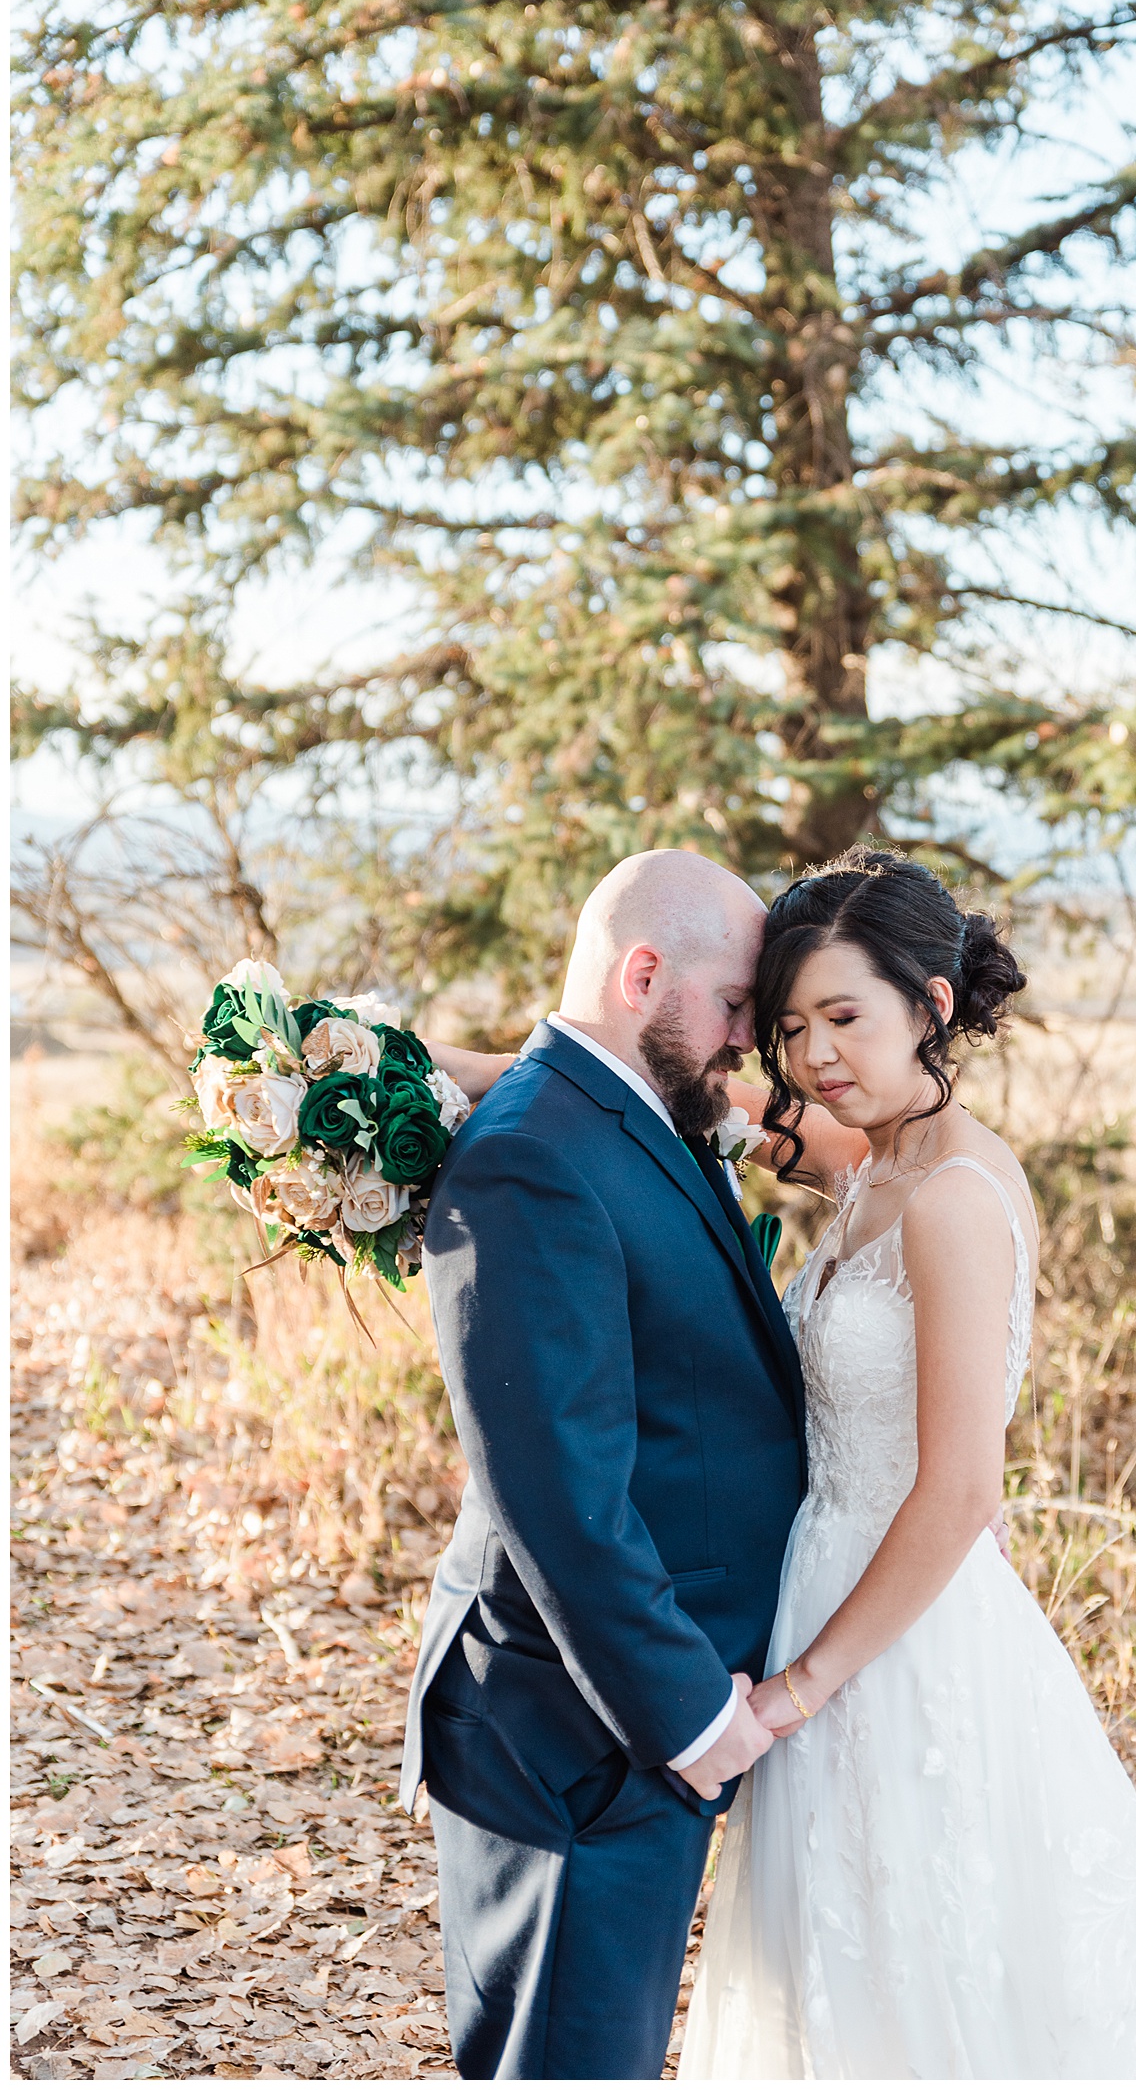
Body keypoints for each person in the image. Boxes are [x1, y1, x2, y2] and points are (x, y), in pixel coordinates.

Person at [672, 847, 1136, 2079]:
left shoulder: (953, 1197)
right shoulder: (875, 1163)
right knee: (835, 1972)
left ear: (930, 1004)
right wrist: (431, 1077)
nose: (814, 1055)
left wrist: (798, 1687)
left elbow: (965, 1487)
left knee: (931, 1976)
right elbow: (699, 1118)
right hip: (828, 1586)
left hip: (902, 1636)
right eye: (792, 1025)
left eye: (845, 1017)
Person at [403, 849, 855, 2081]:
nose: (748, 1049)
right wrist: (690, 1711)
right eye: (735, 1013)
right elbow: (557, 1491)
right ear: (642, 973)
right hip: (581, 1732)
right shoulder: (531, 1155)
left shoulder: (631, 1111)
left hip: (630, 1722)